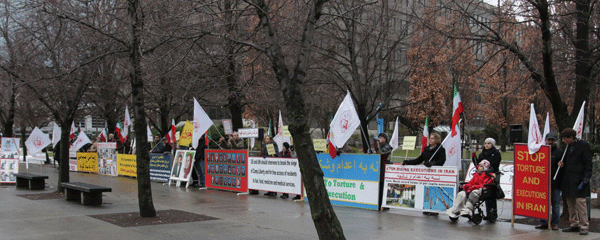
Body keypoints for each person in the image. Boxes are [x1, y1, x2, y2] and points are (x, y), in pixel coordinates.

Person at [559, 128, 592, 235]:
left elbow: (588, 163)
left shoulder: (583, 146)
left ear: (571, 138)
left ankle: (584, 225)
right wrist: (562, 165)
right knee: (570, 203)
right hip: (568, 180)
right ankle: (574, 223)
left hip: (580, 180)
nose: (563, 141)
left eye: (565, 138)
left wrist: (586, 178)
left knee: (580, 203)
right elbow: (566, 162)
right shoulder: (567, 148)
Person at [404, 132, 445, 215]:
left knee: (434, 190)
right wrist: (408, 162)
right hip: (426, 174)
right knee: (426, 190)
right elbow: (420, 159)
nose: (430, 140)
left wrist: (432, 164)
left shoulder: (440, 149)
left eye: (432, 138)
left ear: (437, 140)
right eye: (430, 138)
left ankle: (434, 209)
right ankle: (426, 207)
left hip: (435, 174)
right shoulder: (426, 149)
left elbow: (442, 160)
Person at [536, 133, 563, 230]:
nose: (550, 142)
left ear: (555, 141)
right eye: (549, 140)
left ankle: (555, 223)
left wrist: (562, 165)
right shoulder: (540, 151)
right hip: (543, 183)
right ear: (546, 140)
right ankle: (544, 222)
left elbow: (564, 168)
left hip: (555, 183)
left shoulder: (560, 152)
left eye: (552, 140)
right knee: (543, 204)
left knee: (555, 204)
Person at [475, 137, 501, 220]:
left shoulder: (496, 153)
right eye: (485, 143)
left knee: (491, 194)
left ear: (492, 144)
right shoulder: (482, 153)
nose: (486, 145)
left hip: (492, 175)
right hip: (483, 175)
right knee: (485, 194)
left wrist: (488, 170)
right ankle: (487, 213)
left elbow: (495, 164)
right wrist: (474, 158)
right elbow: (478, 164)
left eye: (489, 143)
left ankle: (493, 213)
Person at [374, 133, 393, 211]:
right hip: (378, 169)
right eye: (378, 138)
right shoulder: (379, 146)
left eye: (381, 138)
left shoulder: (388, 147)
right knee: (379, 187)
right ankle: (378, 203)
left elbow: (381, 153)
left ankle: (384, 204)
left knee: (384, 187)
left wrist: (377, 143)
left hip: (384, 169)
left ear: (385, 139)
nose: (379, 139)